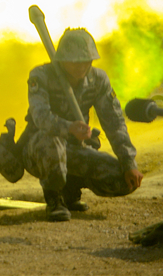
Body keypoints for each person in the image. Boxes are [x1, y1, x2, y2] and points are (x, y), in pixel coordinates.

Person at [23, 27, 143, 221]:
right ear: (61, 59)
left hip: (74, 148)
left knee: (123, 181)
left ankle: (70, 192)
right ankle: (54, 199)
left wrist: (128, 162)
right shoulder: (41, 75)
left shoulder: (98, 79)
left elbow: (114, 122)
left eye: (85, 60)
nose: (80, 66)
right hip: (39, 149)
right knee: (53, 144)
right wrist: (68, 127)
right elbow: (40, 116)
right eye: (74, 61)